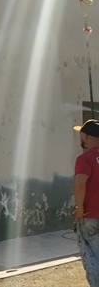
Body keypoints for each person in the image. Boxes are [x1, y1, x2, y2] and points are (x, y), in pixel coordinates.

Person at [72, 119, 99, 287]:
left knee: (92, 258)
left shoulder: (85, 158)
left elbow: (80, 183)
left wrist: (80, 208)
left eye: (81, 133)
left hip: (90, 217)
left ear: (86, 136)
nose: (80, 136)